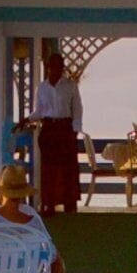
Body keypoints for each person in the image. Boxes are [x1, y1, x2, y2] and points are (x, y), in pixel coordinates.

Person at [31, 45, 86, 213]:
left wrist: (75, 130)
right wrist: (26, 120)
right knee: (48, 168)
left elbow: (77, 108)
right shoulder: (42, 88)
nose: (56, 70)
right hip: (49, 128)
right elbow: (39, 111)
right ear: (48, 68)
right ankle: (49, 202)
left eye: (60, 67)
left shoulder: (70, 86)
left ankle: (70, 201)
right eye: (53, 67)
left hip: (65, 128)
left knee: (68, 167)